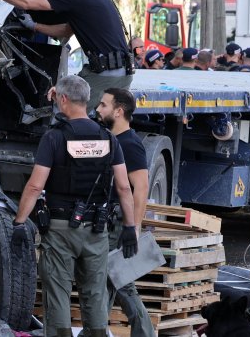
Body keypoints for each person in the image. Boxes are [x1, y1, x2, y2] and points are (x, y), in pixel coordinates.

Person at [11, 75, 139, 336]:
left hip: (60, 228)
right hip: (97, 229)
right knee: (94, 292)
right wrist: (129, 226)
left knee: (57, 291)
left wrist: (19, 222)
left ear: (64, 99)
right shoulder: (107, 137)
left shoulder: (54, 137)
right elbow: (125, 187)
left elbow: (35, 186)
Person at [0, 0, 131, 106]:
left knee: (68, 113)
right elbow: (66, 30)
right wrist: (34, 26)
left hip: (105, 74)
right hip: (124, 73)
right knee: (108, 122)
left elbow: (27, 3)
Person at [95, 88, 155, 337]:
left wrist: (135, 228)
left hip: (119, 224)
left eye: (103, 105)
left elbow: (141, 188)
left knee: (119, 281)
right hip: (109, 221)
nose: (98, 109)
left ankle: (144, 333)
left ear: (118, 111)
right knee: (108, 282)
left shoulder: (130, 144)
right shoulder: (110, 139)